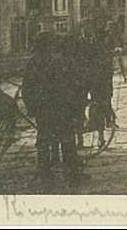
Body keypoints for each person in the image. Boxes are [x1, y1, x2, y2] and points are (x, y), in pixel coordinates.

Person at [21, 33, 85, 184]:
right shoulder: (61, 62)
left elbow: (27, 89)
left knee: (44, 141)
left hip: (44, 110)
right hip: (62, 108)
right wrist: (76, 107)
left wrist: (32, 108)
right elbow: (72, 85)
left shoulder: (33, 63)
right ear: (50, 46)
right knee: (67, 140)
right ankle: (72, 173)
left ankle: (45, 174)